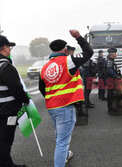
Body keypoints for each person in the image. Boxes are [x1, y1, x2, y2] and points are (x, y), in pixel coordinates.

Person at [39, 30, 93, 167]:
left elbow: (42, 88)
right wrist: (78, 37)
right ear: (65, 49)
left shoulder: (45, 67)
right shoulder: (68, 61)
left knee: (60, 137)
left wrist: (53, 98)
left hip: (52, 107)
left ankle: (65, 155)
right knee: (62, 142)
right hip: (65, 107)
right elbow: (89, 52)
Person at [0, 35, 29, 167]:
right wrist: (25, 99)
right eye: (9, 47)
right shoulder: (6, 66)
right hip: (7, 111)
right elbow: (17, 88)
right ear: (4, 48)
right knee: (6, 139)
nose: (10, 50)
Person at [105, 48, 122, 112]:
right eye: (115, 53)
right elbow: (109, 70)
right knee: (110, 94)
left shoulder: (112, 61)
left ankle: (116, 105)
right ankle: (110, 108)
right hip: (110, 80)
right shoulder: (109, 61)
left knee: (114, 93)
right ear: (111, 54)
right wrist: (116, 76)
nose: (116, 55)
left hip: (112, 79)